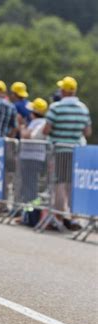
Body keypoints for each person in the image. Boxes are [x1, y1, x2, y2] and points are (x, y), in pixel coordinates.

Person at [43, 76, 92, 230]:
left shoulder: (56, 108)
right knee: (73, 185)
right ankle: (75, 217)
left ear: (63, 91)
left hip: (60, 150)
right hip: (77, 152)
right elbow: (88, 131)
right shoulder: (83, 108)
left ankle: (58, 215)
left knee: (59, 184)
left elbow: (46, 130)